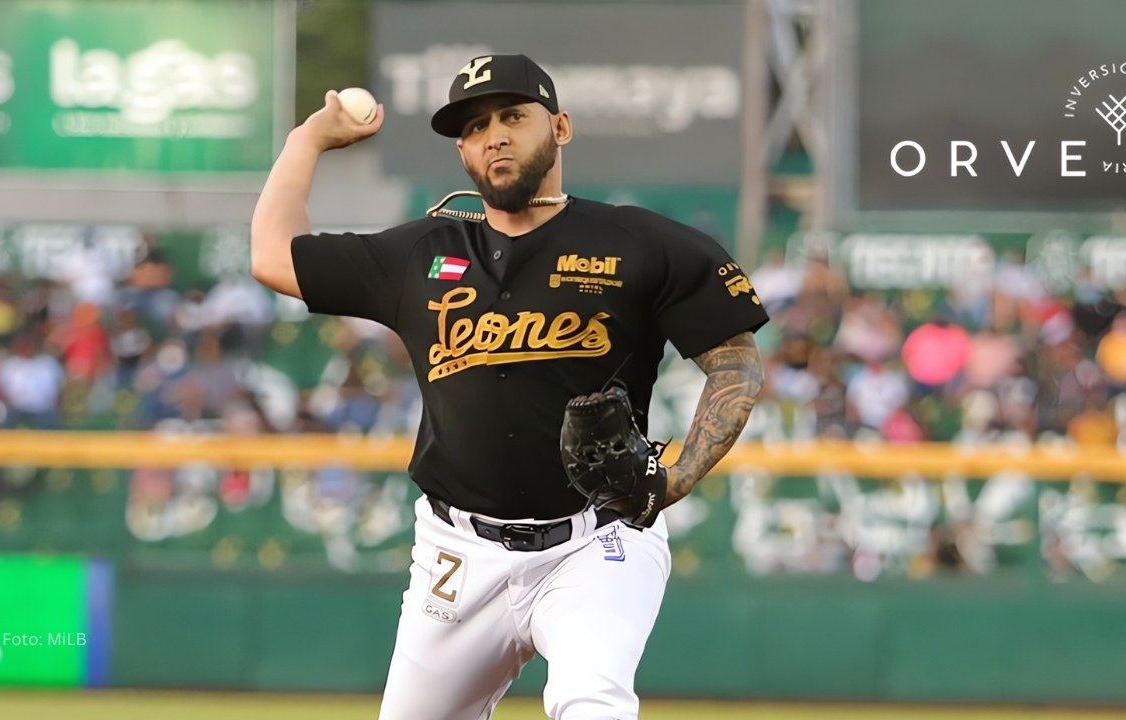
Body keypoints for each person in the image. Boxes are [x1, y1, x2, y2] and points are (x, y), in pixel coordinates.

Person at [250, 54, 767, 720]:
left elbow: (736, 360)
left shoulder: (639, 243)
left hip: (597, 541)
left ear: (561, 127)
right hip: (456, 551)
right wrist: (307, 140)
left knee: (592, 703)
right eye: (472, 126)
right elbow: (270, 255)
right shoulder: (418, 255)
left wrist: (677, 477)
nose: (492, 135)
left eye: (512, 117)